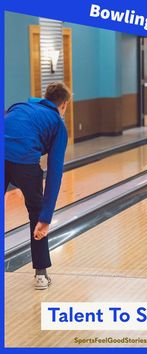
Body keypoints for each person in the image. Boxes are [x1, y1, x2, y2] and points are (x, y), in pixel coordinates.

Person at [5, 81, 71, 290]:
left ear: (45, 96)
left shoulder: (19, 106)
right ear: (65, 104)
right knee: (36, 211)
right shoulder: (58, 123)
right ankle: (41, 275)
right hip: (25, 163)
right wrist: (46, 217)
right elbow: (55, 173)